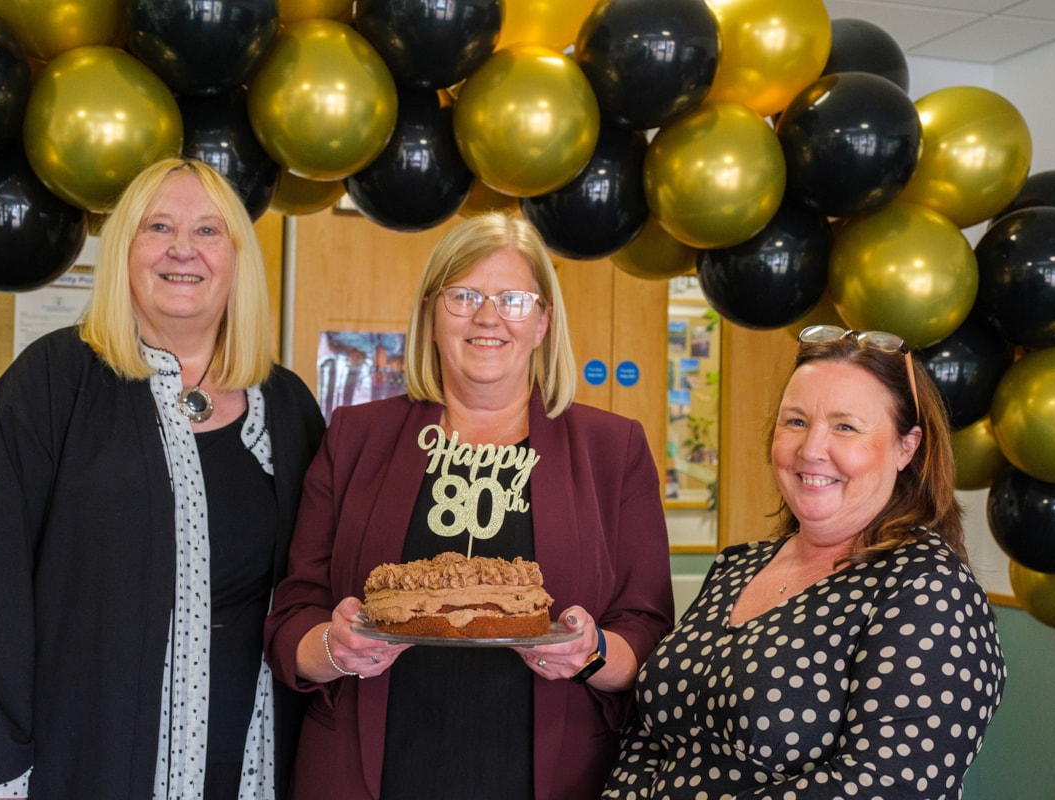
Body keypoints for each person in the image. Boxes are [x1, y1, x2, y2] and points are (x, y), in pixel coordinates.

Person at [0, 158, 325, 799]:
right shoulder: (51, 384)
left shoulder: (289, 407)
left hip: (249, 761)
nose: (182, 249)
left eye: (209, 232)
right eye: (157, 226)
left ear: (239, 258)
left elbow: (314, 584)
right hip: (81, 756)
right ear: (124, 251)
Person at [264, 212, 675, 799]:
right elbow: (295, 608)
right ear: (433, 315)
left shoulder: (614, 449)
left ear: (542, 323)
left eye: (512, 298)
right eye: (464, 296)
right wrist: (333, 648)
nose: (488, 316)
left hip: (553, 777)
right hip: (368, 768)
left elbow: (649, 628)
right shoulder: (356, 435)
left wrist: (593, 654)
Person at [602, 324, 1006, 800]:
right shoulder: (736, 567)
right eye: (795, 421)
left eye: (845, 427)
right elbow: (651, 733)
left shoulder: (928, 589)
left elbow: (885, 785)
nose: (811, 449)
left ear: (906, 447)